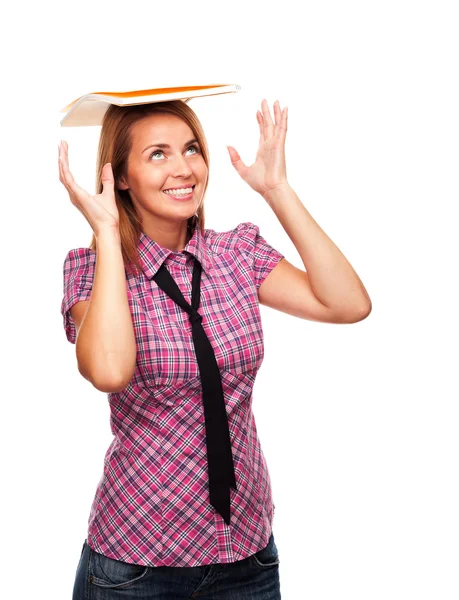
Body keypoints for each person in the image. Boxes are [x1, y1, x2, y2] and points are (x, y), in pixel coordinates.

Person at [59, 97, 371, 600]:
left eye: (190, 149)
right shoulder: (92, 269)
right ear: (119, 176)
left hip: (245, 552)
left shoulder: (236, 255)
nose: (183, 168)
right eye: (157, 154)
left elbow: (348, 304)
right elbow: (110, 371)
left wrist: (277, 190)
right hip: (137, 561)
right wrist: (108, 231)